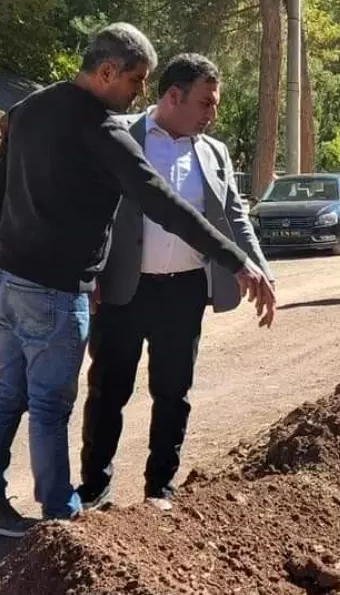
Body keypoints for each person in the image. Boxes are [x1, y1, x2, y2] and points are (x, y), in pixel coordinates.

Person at [0, 24, 275, 538]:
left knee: (8, 392)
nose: (140, 92)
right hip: (56, 290)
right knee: (51, 404)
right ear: (107, 72)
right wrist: (235, 261)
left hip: (10, 281)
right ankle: (60, 514)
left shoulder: (27, 109)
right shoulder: (105, 132)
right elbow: (162, 203)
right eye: (136, 80)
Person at [77, 54, 275, 513]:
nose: (213, 114)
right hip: (123, 289)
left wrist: (258, 267)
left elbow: (234, 218)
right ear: (173, 96)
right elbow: (88, 207)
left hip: (184, 290)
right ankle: (94, 491)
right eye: (206, 103)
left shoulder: (213, 152)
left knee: (173, 393)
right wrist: (88, 273)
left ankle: (159, 490)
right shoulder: (120, 134)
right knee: (109, 390)